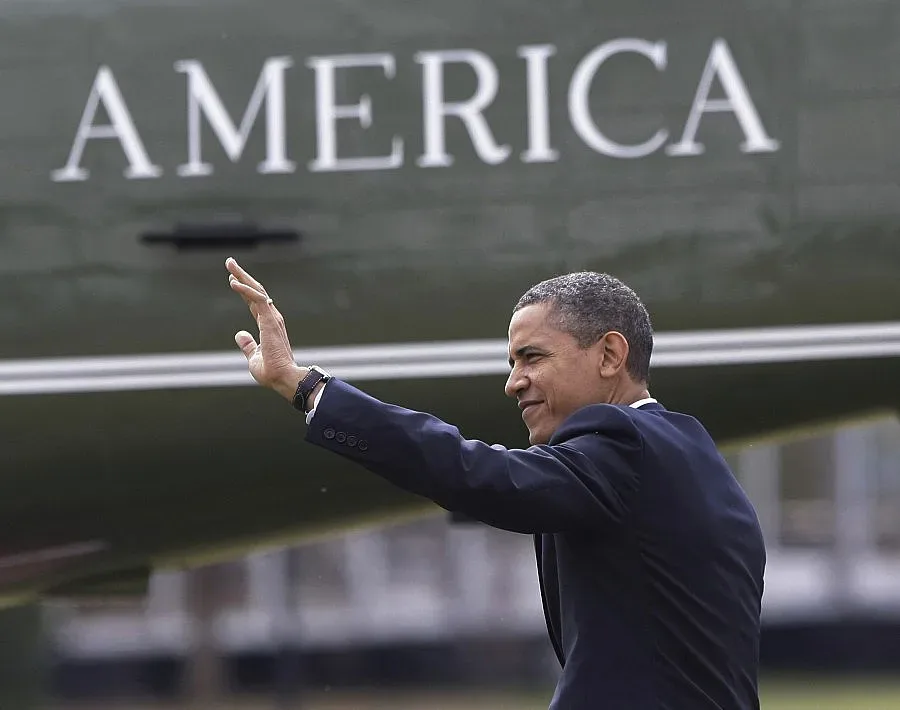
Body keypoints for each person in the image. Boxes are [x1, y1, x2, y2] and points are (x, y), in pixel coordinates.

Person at [225, 256, 766, 710]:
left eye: (533, 357)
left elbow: (476, 473)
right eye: (512, 362)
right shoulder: (688, 450)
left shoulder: (621, 441)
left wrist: (306, 388)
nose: (513, 383)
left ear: (609, 355)